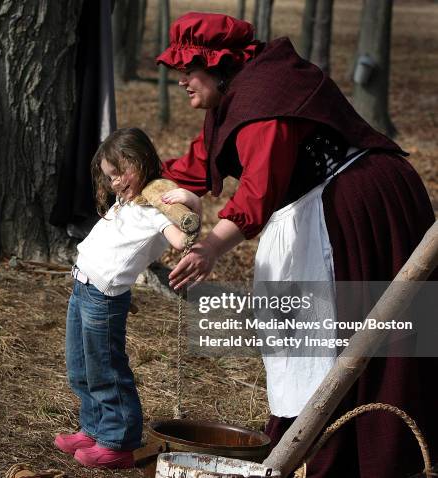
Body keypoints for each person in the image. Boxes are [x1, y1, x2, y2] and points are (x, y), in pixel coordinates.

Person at [156, 11, 437, 478]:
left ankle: (368, 456)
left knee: (348, 336)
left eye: (190, 69)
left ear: (220, 64)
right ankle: (320, 448)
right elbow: (199, 162)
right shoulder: (243, 92)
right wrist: (137, 179)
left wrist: (209, 248)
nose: (181, 79)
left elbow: (258, 192)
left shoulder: (267, 98)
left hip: (358, 205)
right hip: (345, 200)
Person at [54, 127, 200, 469]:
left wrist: (190, 202)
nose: (115, 182)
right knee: (80, 368)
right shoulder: (127, 199)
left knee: (106, 370)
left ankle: (119, 440)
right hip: (81, 288)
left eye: (120, 173)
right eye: (110, 177)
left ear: (141, 161)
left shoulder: (156, 208)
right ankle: (93, 429)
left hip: (103, 299)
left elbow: (182, 240)